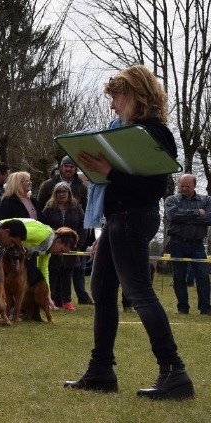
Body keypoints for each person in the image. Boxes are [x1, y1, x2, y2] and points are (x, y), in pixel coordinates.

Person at [65, 65, 194, 400]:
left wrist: (107, 170)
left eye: (117, 97)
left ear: (136, 94)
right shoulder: (131, 130)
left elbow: (153, 187)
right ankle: (101, 370)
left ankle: (174, 372)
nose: (113, 106)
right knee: (103, 289)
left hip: (133, 218)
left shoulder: (154, 132)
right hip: (119, 219)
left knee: (139, 293)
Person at [164, 174, 211, 315]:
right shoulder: (171, 200)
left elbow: (209, 217)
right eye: (181, 186)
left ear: (194, 186)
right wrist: (197, 213)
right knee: (179, 277)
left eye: (187, 186)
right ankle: (182, 308)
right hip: (176, 243)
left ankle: (205, 308)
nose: (184, 189)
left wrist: (184, 218)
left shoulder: (206, 200)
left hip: (197, 244)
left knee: (203, 276)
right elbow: (172, 215)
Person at [39, 184, 87, 311]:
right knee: (52, 274)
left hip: (71, 246)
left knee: (67, 274)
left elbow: (83, 224)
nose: (61, 194)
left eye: (64, 192)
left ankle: (67, 301)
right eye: (58, 192)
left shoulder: (76, 208)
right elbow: (43, 225)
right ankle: (52, 300)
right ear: (55, 194)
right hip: (53, 245)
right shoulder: (48, 208)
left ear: (69, 193)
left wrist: (78, 242)